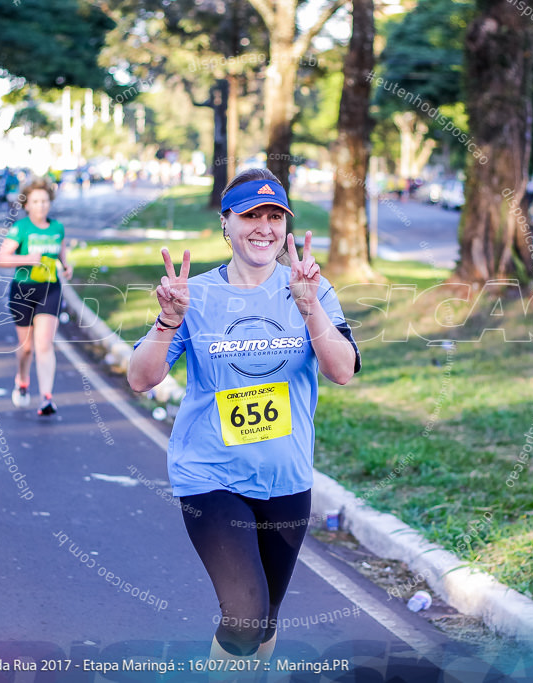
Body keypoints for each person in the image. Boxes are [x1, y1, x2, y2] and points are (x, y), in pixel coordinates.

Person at [127, 168, 360, 669]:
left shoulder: (311, 288)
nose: (264, 227)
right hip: (210, 475)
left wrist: (309, 306)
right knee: (245, 617)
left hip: (287, 477)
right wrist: (168, 320)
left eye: (274, 215)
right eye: (250, 215)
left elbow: (341, 370)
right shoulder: (195, 295)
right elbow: (141, 378)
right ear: (226, 223)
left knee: (266, 622)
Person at [0, 177, 72, 416]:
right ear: (27, 204)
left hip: (50, 289)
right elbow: (2, 259)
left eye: (45, 201)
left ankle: (47, 397)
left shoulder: (57, 227)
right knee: (27, 348)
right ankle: (22, 377)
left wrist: (66, 266)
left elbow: (61, 252)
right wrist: (26, 259)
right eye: (36, 201)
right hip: (23, 290)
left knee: (44, 344)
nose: (41, 206)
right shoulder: (20, 228)